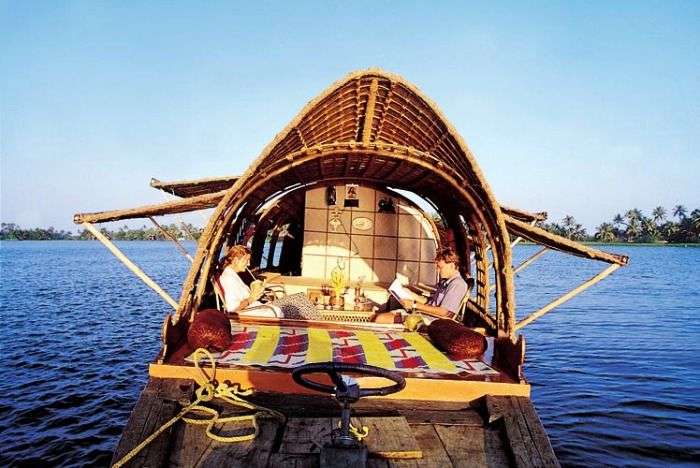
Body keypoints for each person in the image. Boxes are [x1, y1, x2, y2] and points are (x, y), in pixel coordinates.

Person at [375, 248, 469, 324]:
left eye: (440, 268)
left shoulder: (457, 285)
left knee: (380, 319)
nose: (438, 271)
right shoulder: (445, 282)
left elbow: (444, 312)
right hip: (423, 314)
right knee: (376, 317)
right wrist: (412, 295)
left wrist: (414, 305)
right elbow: (431, 303)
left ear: (452, 266)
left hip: (430, 320)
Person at [214, 245, 282, 318]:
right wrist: (251, 298)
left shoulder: (232, 275)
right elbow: (232, 308)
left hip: (249, 308)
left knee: (279, 309)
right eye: (247, 260)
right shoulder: (229, 279)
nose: (248, 264)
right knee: (277, 312)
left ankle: (270, 328)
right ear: (236, 260)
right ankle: (268, 329)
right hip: (243, 314)